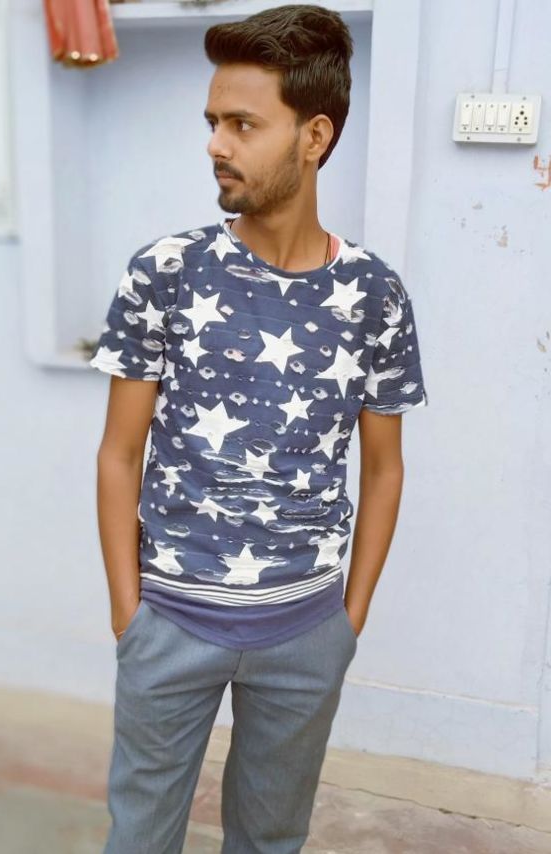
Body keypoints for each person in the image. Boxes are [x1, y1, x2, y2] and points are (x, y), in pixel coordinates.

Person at [89, 5, 429, 852]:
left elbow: (384, 468)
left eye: (243, 124)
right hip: (170, 622)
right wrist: (130, 616)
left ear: (314, 137)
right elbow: (119, 453)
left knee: (271, 842)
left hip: (304, 632)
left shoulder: (375, 296)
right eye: (213, 122)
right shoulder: (165, 272)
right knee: (139, 839)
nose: (216, 144)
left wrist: (346, 623)